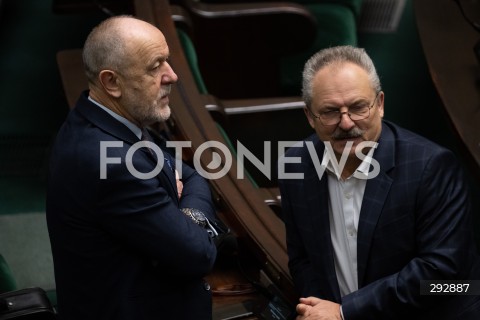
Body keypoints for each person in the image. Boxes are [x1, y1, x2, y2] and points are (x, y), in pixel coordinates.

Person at [278, 45, 480, 319]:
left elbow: (441, 275)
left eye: (359, 107)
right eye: (330, 112)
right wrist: (316, 308)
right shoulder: (296, 165)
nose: (346, 123)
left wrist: (345, 312)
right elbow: (303, 259)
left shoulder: (431, 167)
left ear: (380, 104)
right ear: (310, 117)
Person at [46, 16, 219, 320]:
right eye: (155, 66)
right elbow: (198, 254)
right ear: (111, 82)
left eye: (168, 61)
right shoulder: (111, 163)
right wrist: (188, 214)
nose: (173, 76)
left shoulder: (104, 119)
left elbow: (192, 174)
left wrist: (178, 209)